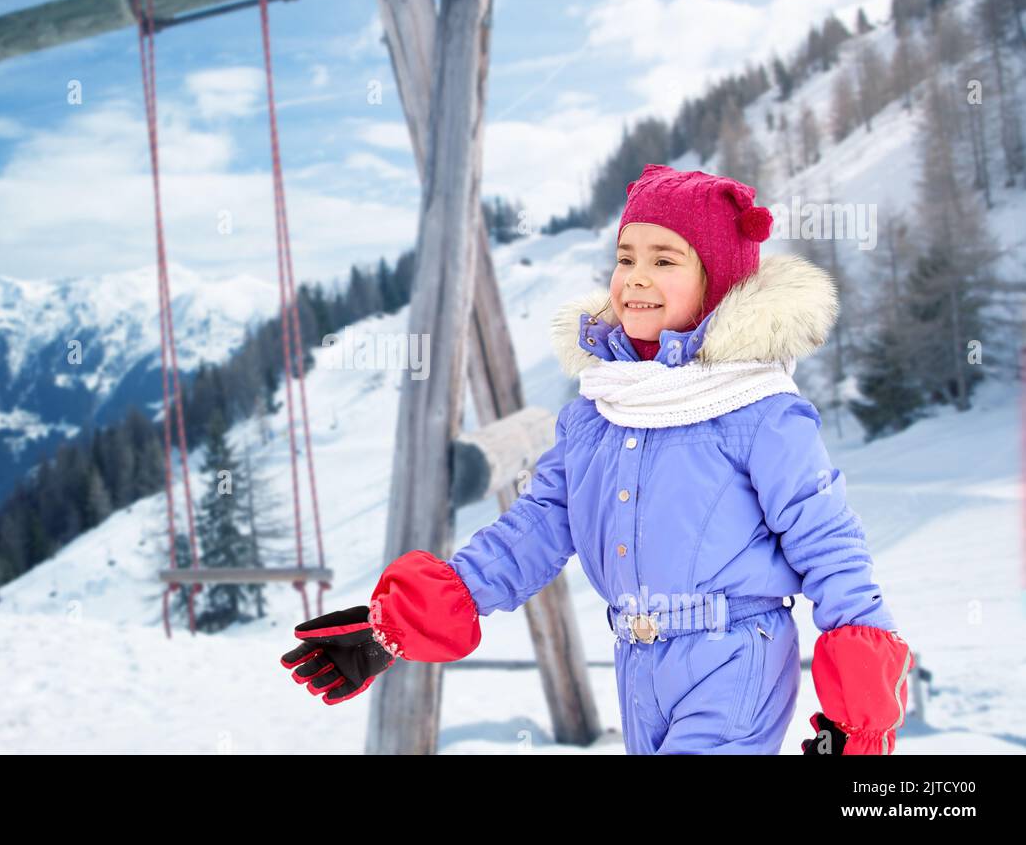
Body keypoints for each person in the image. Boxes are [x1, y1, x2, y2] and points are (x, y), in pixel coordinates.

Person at [281, 163, 914, 755]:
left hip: (735, 660)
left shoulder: (758, 410)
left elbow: (827, 542)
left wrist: (858, 711)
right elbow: (533, 529)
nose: (636, 276)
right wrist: (392, 627)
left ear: (717, 282)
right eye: (626, 257)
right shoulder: (601, 409)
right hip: (637, 661)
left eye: (664, 259)